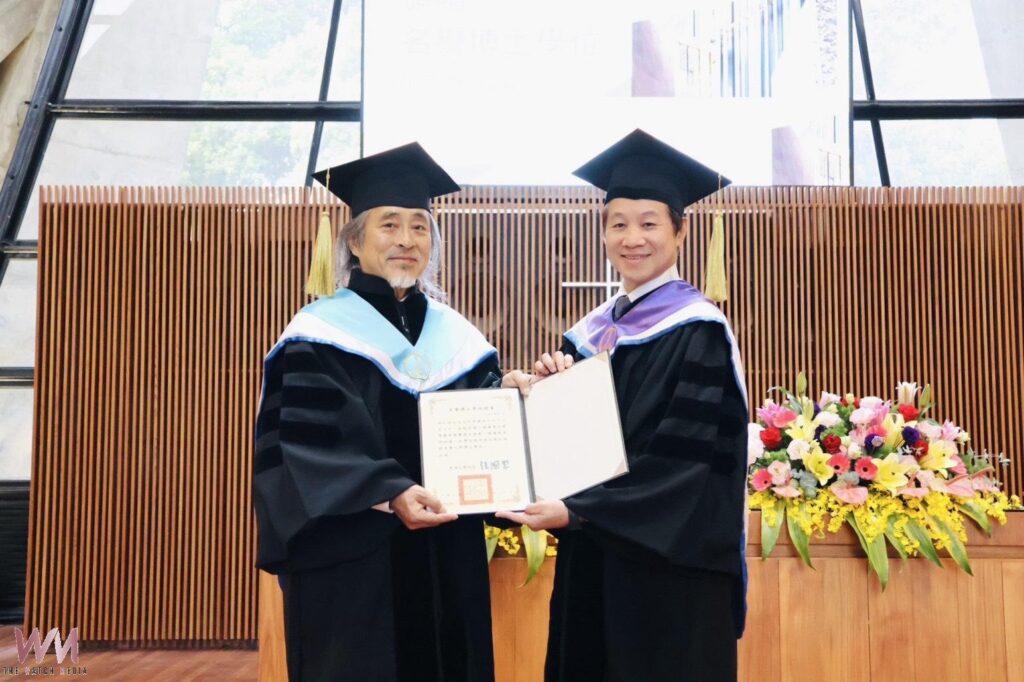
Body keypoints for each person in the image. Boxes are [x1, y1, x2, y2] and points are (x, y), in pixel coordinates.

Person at [253, 142, 525, 682]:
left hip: (448, 557)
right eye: (390, 224)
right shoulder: (316, 336)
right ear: (354, 241)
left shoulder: (459, 339)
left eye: (420, 227)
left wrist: (512, 395)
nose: (406, 239)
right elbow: (304, 448)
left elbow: (486, 439)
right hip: (356, 565)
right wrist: (390, 491)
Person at [497, 129, 750, 682]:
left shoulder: (699, 332)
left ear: (680, 232)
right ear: (603, 233)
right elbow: (568, 453)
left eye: (649, 223)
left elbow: (687, 467)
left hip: (669, 576)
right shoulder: (589, 336)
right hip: (595, 564)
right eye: (618, 224)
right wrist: (539, 395)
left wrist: (580, 511)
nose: (633, 239)